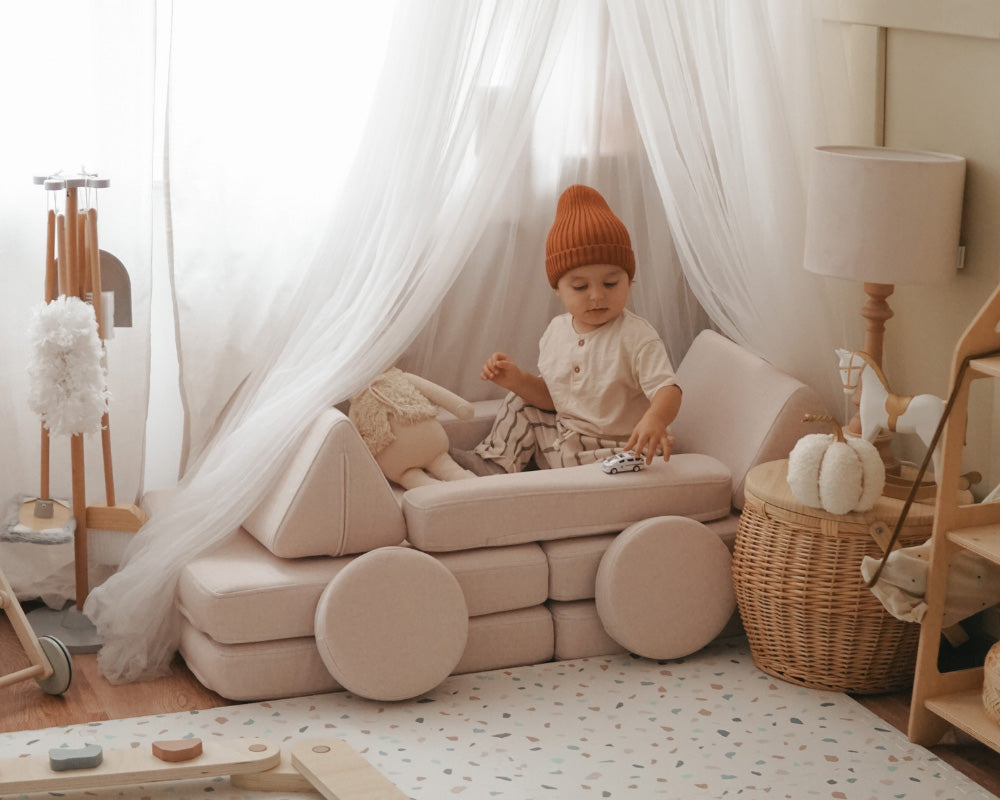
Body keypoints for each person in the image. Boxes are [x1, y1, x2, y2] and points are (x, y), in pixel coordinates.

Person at [457, 184, 682, 476]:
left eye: (610, 283)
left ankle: (551, 476)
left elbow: (668, 390)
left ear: (629, 281)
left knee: (626, 463)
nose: (597, 295)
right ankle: (492, 466)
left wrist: (655, 420)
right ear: (558, 289)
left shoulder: (636, 336)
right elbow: (556, 400)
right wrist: (517, 380)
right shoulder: (556, 331)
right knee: (520, 403)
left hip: (614, 447)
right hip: (564, 439)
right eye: (580, 286)